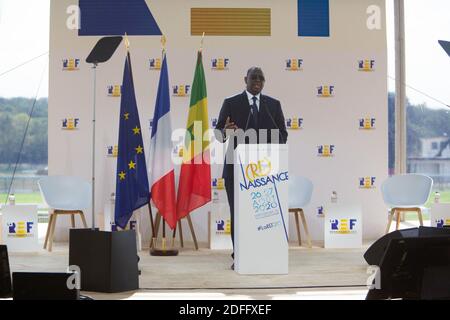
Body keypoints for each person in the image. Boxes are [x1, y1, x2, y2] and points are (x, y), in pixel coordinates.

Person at [215, 67, 288, 270]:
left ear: (264, 82)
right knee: (238, 214)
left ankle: (262, 253)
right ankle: (240, 255)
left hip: (264, 171)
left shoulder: (273, 105)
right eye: (253, 77)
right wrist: (224, 131)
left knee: (263, 214)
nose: (257, 80)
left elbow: (283, 135)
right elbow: (219, 134)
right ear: (245, 79)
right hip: (235, 168)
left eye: (261, 78)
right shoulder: (231, 103)